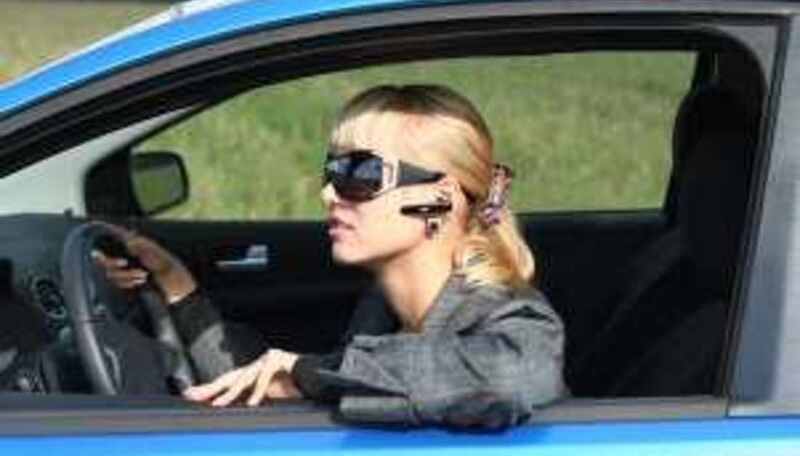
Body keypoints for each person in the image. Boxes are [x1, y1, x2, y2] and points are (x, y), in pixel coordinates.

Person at [96, 84, 567, 430]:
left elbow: (518, 374)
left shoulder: (505, 313)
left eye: (359, 173)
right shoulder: (383, 310)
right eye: (333, 170)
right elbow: (267, 389)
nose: (327, 193)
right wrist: (175, 283)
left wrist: (311, 375)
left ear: (439, 198)